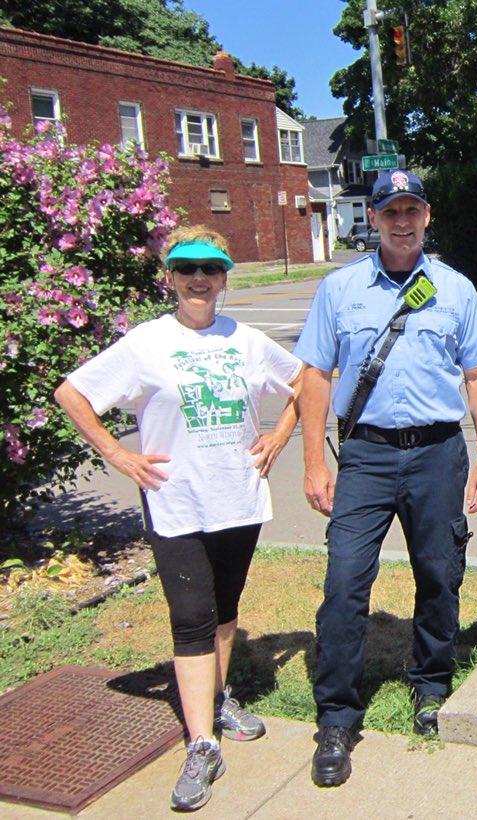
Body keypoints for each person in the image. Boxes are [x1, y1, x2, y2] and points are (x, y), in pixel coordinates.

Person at [54, 226, 302, 812]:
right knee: (191, 618)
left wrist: (279, 436)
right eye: (186, 268)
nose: (198, 279)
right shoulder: (145, 343)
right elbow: (73, 394)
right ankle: (202, 743)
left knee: (224, 611)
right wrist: (117, 454)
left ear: (223, 278)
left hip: (238, 499)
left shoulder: (246, 339)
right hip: (175, 499)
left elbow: (307, 384)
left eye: (210, 269)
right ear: (169, 277)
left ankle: (217, 700)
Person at [294, 169, 477, 788]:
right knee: (345, 580)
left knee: (440, 572)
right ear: (374, 219)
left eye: (412, 209)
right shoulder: (341, 290)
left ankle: (431, 684)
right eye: (391, 211)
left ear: (427, 216)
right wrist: (313, 462)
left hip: (439, 454)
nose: (402, 220)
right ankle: (336, 716)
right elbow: (314, 378)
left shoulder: (456, 289)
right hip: (366, 455)